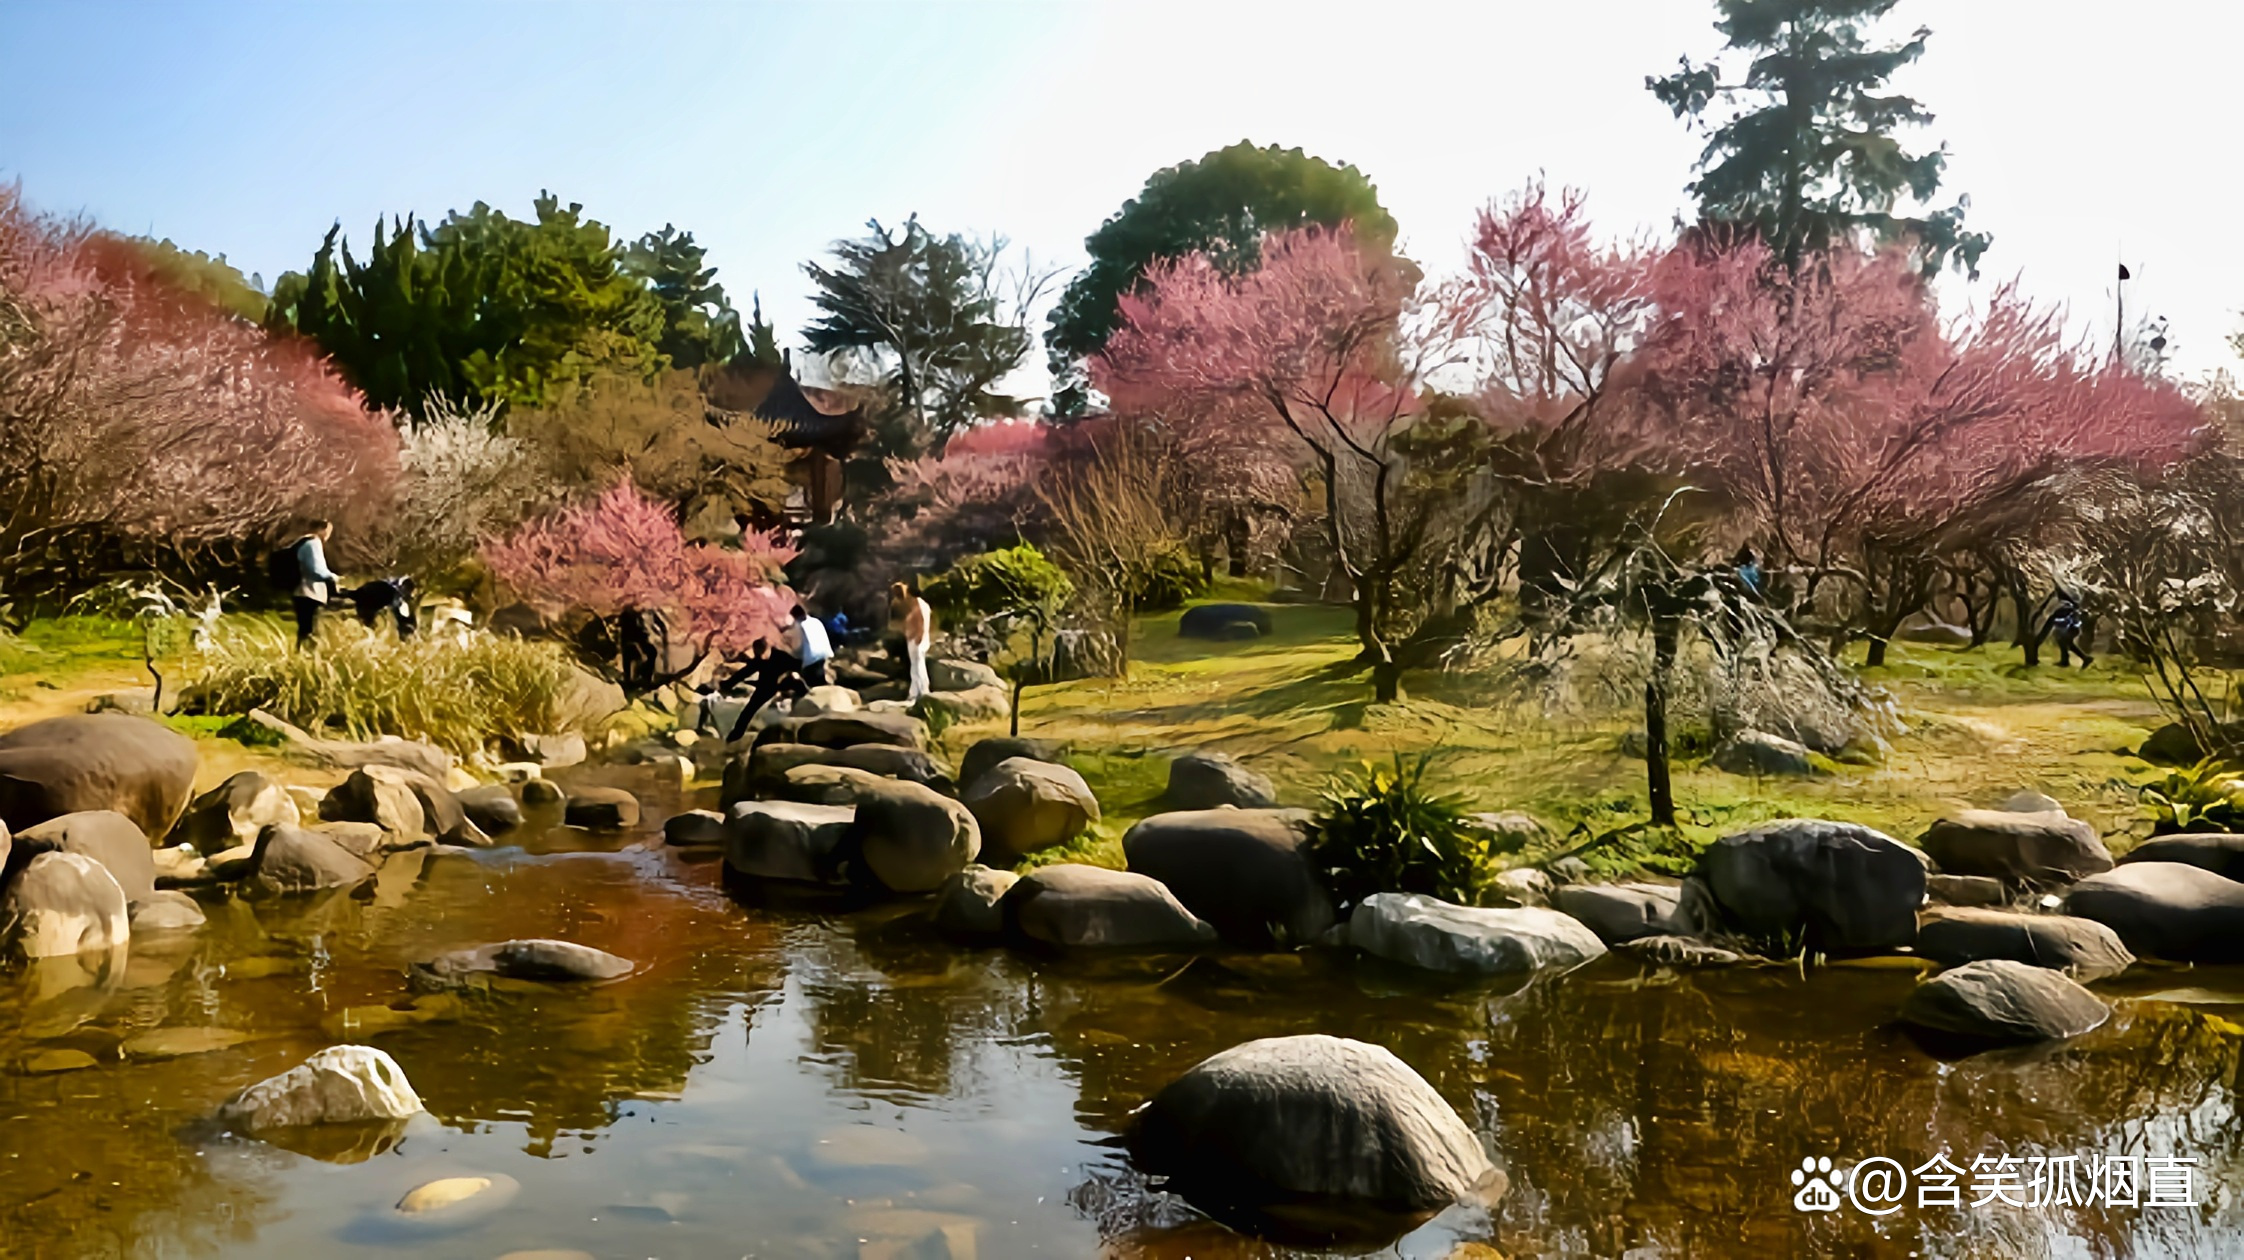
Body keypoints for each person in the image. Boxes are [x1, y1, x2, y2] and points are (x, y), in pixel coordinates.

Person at [719, 638, 807, 743]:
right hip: (766, 686)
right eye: (758, 654)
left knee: (797, 683)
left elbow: (798, 666)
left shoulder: (781, 656)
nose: (760, 656)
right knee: (749, 709)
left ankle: (807, 698)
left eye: (762, 653)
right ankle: (736, 734)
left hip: (783, 682)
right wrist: (728, 684)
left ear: (768, 649)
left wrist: (785, 675)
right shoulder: (759, 660)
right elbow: (745, 672)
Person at [290, 520, 341, 649]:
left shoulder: (301, 542)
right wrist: (333, 577)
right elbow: (316, 570)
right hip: (310, 592)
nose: (328, 535)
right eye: (328, 531)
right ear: (321, 529)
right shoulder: (313, 544)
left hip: (299, 591)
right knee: (312, 630)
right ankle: (310, 658)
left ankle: (300, 655)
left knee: (304, 628)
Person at [891, 581, 932, 701]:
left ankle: (924, 691)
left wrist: (919, 636)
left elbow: (922, 621)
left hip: (918, 640)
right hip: (913, 640)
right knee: (914, 667)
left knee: (919, 666)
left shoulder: (920, 604)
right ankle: (914, 693)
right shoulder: (914, 604)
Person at [792, 604, 833, 689]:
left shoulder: (798, 625)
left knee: (814, 686)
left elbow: (797, 648)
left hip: (811, 660)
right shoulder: (816, 621)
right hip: (826, 655)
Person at [2046, 590, 2091, 668]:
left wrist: (2054, 620)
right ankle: (2081, 659)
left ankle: (2069, 660)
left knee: (2064, 642)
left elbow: (2065, 619)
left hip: (2072, 629)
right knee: (2066, 643)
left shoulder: (2067, 606)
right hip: (2072, 628)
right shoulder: (2068, 605)